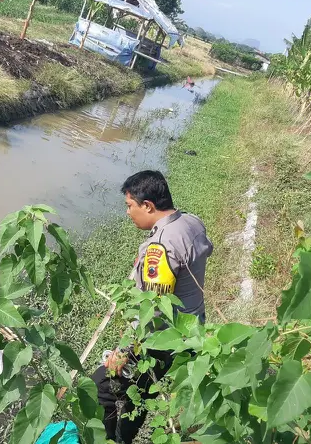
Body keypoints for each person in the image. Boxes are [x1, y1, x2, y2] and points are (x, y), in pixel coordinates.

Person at [91, 170, 213, 443]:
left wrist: (125, 351)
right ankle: (125, 435)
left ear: (147, 206)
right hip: (191, 328)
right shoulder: (192, 222)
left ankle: (112, 439)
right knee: (142, 389)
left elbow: (155, 309)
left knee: (101, 386)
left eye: (130, 206)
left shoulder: (160, 246)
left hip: (162, 340)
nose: (128, 213)